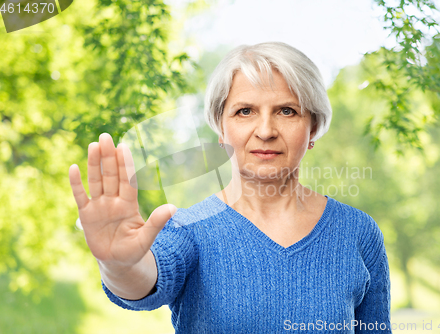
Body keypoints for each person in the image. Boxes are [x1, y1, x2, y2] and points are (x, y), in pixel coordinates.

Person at [69, 41, 392, 333]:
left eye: (287, 111)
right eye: (245, 111)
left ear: (313, 128)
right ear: (220, 128)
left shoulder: (358, 232)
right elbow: (143, 282)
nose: (265, 130)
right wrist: (118, 265)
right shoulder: (188, 230)